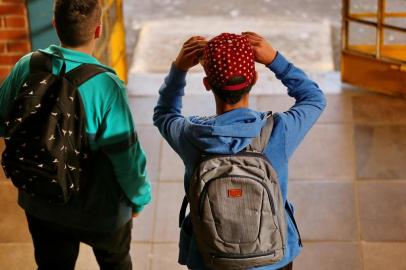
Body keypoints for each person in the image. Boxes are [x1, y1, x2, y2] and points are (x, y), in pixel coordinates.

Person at [153, 32, 326, 270]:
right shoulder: (278, 132)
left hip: (210, 259)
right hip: (273, 258)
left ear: (206, 84)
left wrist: (179, 70)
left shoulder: (190, 136)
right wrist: (275, 60)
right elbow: (314, 98)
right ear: (254, 78)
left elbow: (164, 113)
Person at [0, 1, 151, 269]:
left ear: (56, 25)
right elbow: (125, 156)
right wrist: (138, 197)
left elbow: (3, 122)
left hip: (41, 200)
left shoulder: (27, 66)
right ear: (98, 31)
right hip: (100, 210)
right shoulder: (107, 86)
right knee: (115, 262)